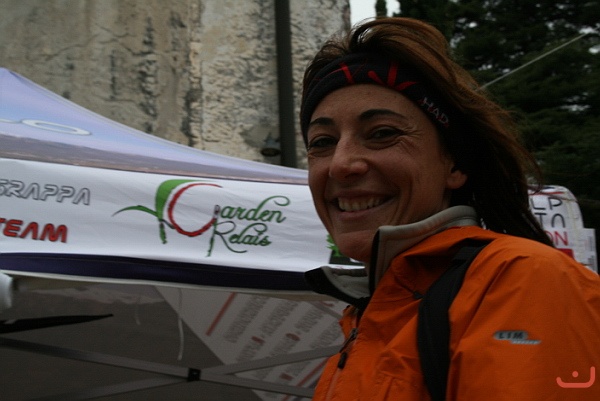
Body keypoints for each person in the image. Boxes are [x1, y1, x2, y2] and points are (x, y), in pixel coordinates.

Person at [300, 17, 600, 401]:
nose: (341, 164)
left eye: (383, 133)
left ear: (454, 164)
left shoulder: (522, 281)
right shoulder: (369, 315)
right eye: (322, 142)